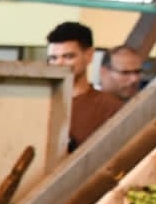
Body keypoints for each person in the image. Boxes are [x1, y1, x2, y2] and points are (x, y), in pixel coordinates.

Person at [47, 21, 124, 150]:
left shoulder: (109, 108)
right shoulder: (41, 103)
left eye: (68, 57)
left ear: (89, 55)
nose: (59, 64)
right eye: (53, 58)